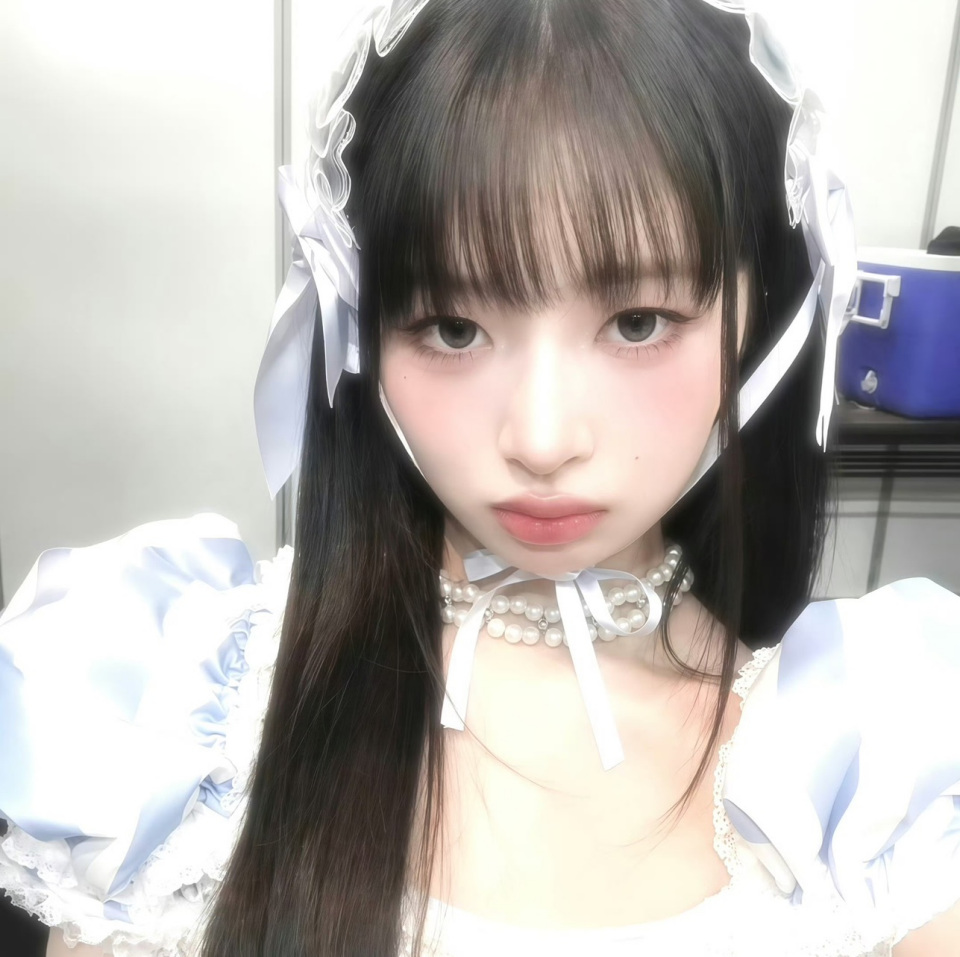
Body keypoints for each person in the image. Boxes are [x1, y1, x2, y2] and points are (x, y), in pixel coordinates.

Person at [1, 0, 959, 954]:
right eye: (453, 328)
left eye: (638, 322)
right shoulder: (168, 716)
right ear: (359, 325)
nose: (541, 438)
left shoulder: (879, 763)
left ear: (765, 318)